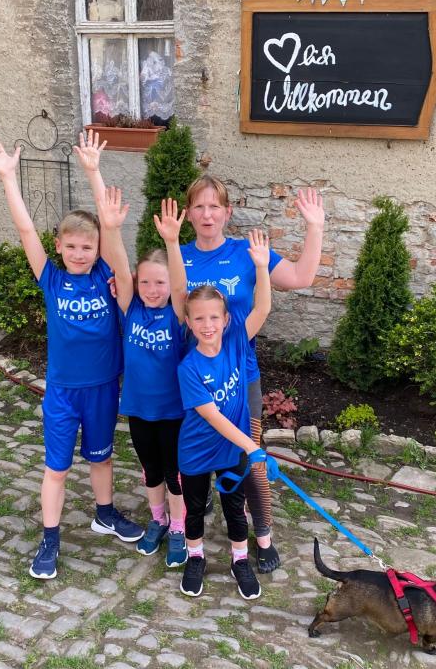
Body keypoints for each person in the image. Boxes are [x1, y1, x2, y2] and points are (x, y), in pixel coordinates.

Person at [81, 142, 325, 572]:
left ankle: (262, 533)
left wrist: (315, 226)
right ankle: (188, 520)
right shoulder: (177, 256)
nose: (207, 214)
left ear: (227, 213)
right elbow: (141, 279)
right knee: (188, 457)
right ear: (189, 214)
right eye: (199, 206)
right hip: (189, 380)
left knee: (248, 453)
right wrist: (98, 181)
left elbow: (302, 277)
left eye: (215, 206)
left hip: (240, 375)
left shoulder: (247, 254)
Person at [0, 138, 143, 580]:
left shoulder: (107, 275)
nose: (79, 254)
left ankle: (104, 513)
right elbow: (26, 231)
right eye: (71, 247)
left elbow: (110, 227)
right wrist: (8, 178)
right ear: (59, 246)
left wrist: (93, 170)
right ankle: (50, 538)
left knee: (102, 458)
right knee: (57, 468)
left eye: (87, 247)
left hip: (103, 388)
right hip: (63, 393)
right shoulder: (50, 279)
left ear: (97, 249)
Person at [173, 223, 275, 600]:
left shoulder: (236, 341)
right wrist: (252, 446)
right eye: (199, 318)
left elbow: (262, 307)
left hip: (232, 449)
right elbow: (212, 415)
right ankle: (195, 557)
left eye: (214, 317)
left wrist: (261, 267)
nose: (208, 325)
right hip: (198, 450)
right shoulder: (188, 368)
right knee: (194, 509)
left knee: (234, 507)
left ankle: (240, 561)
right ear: (189, 322)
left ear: (226, 320)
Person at [93, 185, 189, 568]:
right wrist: (112, 229)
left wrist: (172, 242)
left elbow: (180, 286)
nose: (152, 290)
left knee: (174, 473)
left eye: (159, 283)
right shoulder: (130, 307)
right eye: (145, 282)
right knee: (150, 470)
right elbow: (118, 266)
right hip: (138, 408)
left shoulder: (177, 315)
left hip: (173, 412)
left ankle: (179, 527)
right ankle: (158, 520)